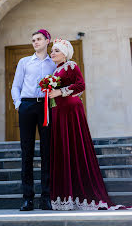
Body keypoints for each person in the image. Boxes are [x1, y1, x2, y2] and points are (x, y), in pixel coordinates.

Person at [48, 38, 124, 210]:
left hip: (70, 110)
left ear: (65, 54)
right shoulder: (55, 70)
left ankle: (82, 195)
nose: (52, 53)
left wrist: (60, 91)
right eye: (52, 50)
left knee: (72, 146)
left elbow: (81, 85)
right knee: (63, 149)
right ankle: (67, 195)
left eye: (56, 51)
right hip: (58, 111)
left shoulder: (71, 66)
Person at [11, 29, 56, 211]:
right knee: (27, 152)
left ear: (47, 41)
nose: (35, 42)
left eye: (39, 39)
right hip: (27, 107)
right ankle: (28, 198)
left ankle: (46, 198)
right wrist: (18, 104)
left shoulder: (54, 63)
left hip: (46, 107)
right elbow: (16, 85)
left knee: (47, 152)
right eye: (33, 40)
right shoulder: (24, 62)